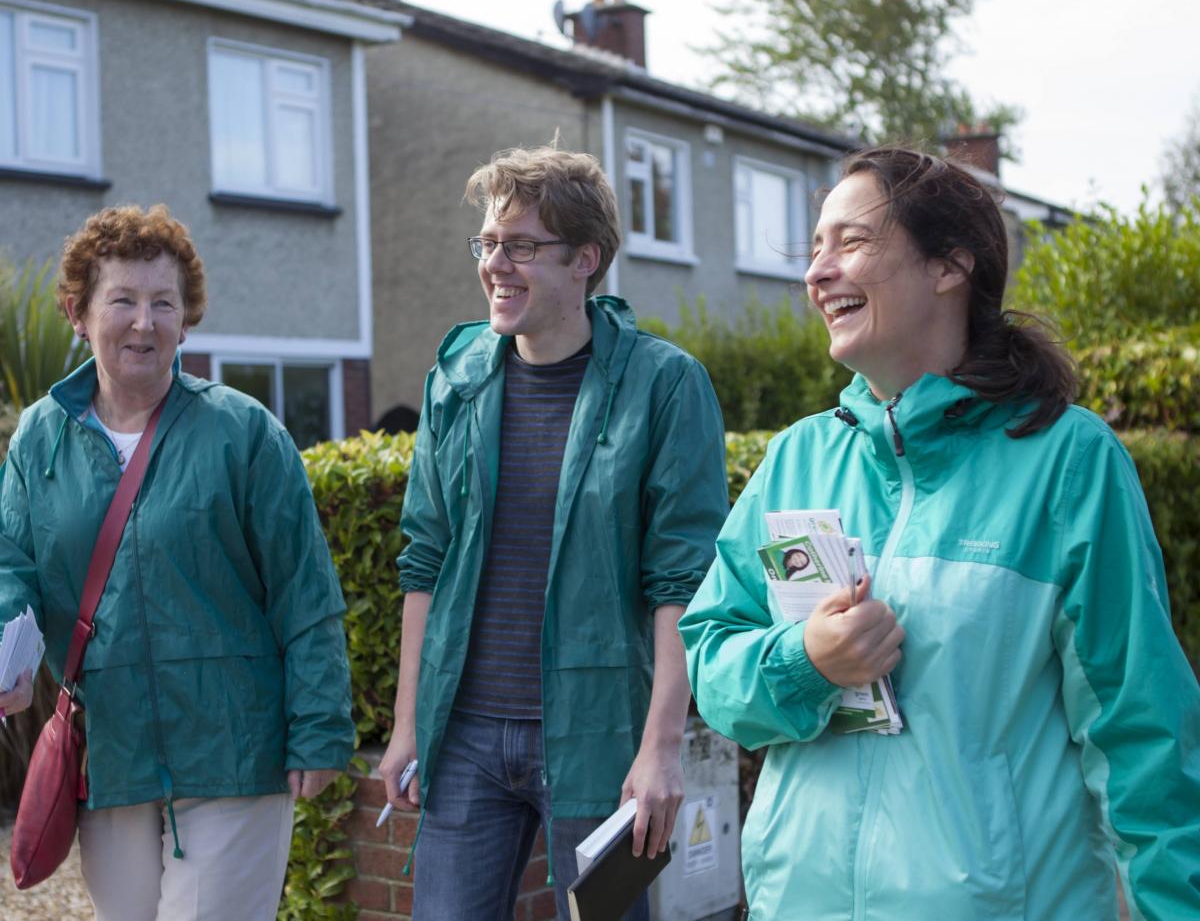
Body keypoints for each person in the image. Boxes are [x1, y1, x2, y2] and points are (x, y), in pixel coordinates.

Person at [679, 148, 1200, 920]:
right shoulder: (796, 459)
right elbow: (714, 666)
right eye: (815, 248)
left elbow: (1142, 734)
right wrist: (803, 664)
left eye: (849, 243)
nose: (817, 273)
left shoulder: (1066, 460)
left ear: (950, 265)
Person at [378, 145, 728, 920]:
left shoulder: (664, 385)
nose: (497, 264)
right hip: (465, 734)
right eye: (489, 244)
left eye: (523, 246)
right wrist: (407, 726)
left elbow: (681, 580)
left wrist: (661, 747)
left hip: (600, 734)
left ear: (585, 259)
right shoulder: (455, 380)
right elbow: (424, 560)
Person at [0, 205, 354, 920]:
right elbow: (12, 564)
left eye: (164, 302)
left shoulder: (243, 432)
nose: (144, 322)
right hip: (112, 749)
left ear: (186, 320)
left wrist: (320, 726)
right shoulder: (41, 437)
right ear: (77, 311)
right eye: (122, 300)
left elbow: (303, 590)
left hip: (234, 747)